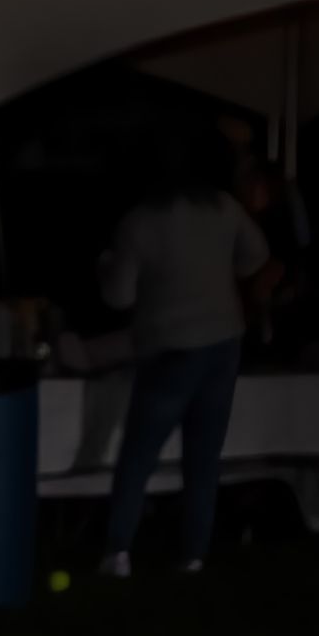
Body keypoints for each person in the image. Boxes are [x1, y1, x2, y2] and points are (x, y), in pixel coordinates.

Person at [97, 127, 280, 576]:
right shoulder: (222, 207)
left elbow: (119, 297)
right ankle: (194, 554)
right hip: (222, 342)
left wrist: (104, 268)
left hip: (168, 346)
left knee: (139, 454)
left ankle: (119, 551)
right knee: (203, 456)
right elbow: (257, 255)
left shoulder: (139, 222)